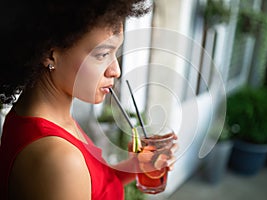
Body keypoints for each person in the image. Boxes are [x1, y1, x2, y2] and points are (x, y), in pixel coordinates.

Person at [0, 1, 177, 199]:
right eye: (102, 54)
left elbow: (97, 187)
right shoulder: (60, 159)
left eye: (115, 53)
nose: (116, 71)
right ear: (50, 55)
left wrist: (135, 166)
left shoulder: (45, 119)